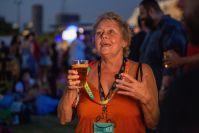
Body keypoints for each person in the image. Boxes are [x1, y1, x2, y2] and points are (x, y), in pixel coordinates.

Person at [57, 11, 159, 133]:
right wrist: (70, 90)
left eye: (111, 32)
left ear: (124, 41)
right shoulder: (83, 72)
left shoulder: (142, 72)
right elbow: (64, 119)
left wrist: (146, 98)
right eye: (99, 33)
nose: (104, 36)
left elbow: (153, 123)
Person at [138, 0, 187, 102]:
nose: (141, 18)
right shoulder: (152, 31)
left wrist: (164, 89)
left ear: (151, 11)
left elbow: (170, 63)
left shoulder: (170, 27)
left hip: (164, 96)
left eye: (142, 13)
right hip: (149, 92)